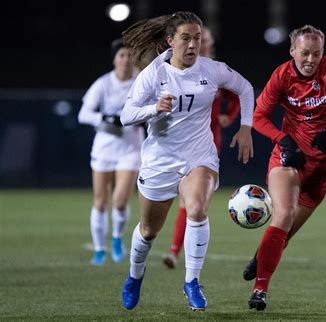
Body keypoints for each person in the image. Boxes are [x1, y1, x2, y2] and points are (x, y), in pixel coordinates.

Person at [119, 11, 254, 311]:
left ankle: (192, 281)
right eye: (186, 38)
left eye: (197, 38)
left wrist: (246, 127)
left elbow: (245, 88)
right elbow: (126, 116)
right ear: (170, 41)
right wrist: (153, 108)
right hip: (159, 160)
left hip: (199, 155)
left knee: (196, 208)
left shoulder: (211, 69)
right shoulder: (153, 74)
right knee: (148, 230)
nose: (193, 45)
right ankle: (134, 275)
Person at [244, 25, 326, 311]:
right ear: (292, 51)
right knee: (284, 214)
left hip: (324, 167)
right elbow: (259, 116)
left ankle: (261, 255)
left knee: (285, 233)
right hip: (290, 158)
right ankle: (260, 289)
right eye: (304, 53)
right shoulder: (282, 75)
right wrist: (284, 141)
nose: (310, 59)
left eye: (316, 53)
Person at [162, 26, 241, 269]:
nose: (198, 44)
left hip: (206, 144)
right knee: (186, 204)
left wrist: (230, 115)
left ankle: (178, 253)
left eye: (203, 40)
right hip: (174, 147)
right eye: (195, 39)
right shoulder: (173, 69)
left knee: (193, 205)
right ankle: (177, 251)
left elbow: (238, 94)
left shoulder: (215, 72)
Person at [78, 39, 144, 266]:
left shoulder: (140, 82)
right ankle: (99, 250)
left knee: (120, 200)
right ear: (115, 59)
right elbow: (83, 114)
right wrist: (105, 118)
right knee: (100, 201)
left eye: (129, 55)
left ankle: (116, 238)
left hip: (130, 148)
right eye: (121, 55)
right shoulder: (104, 83)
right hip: (104, 147)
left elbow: (152, 109)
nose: (125, 59)